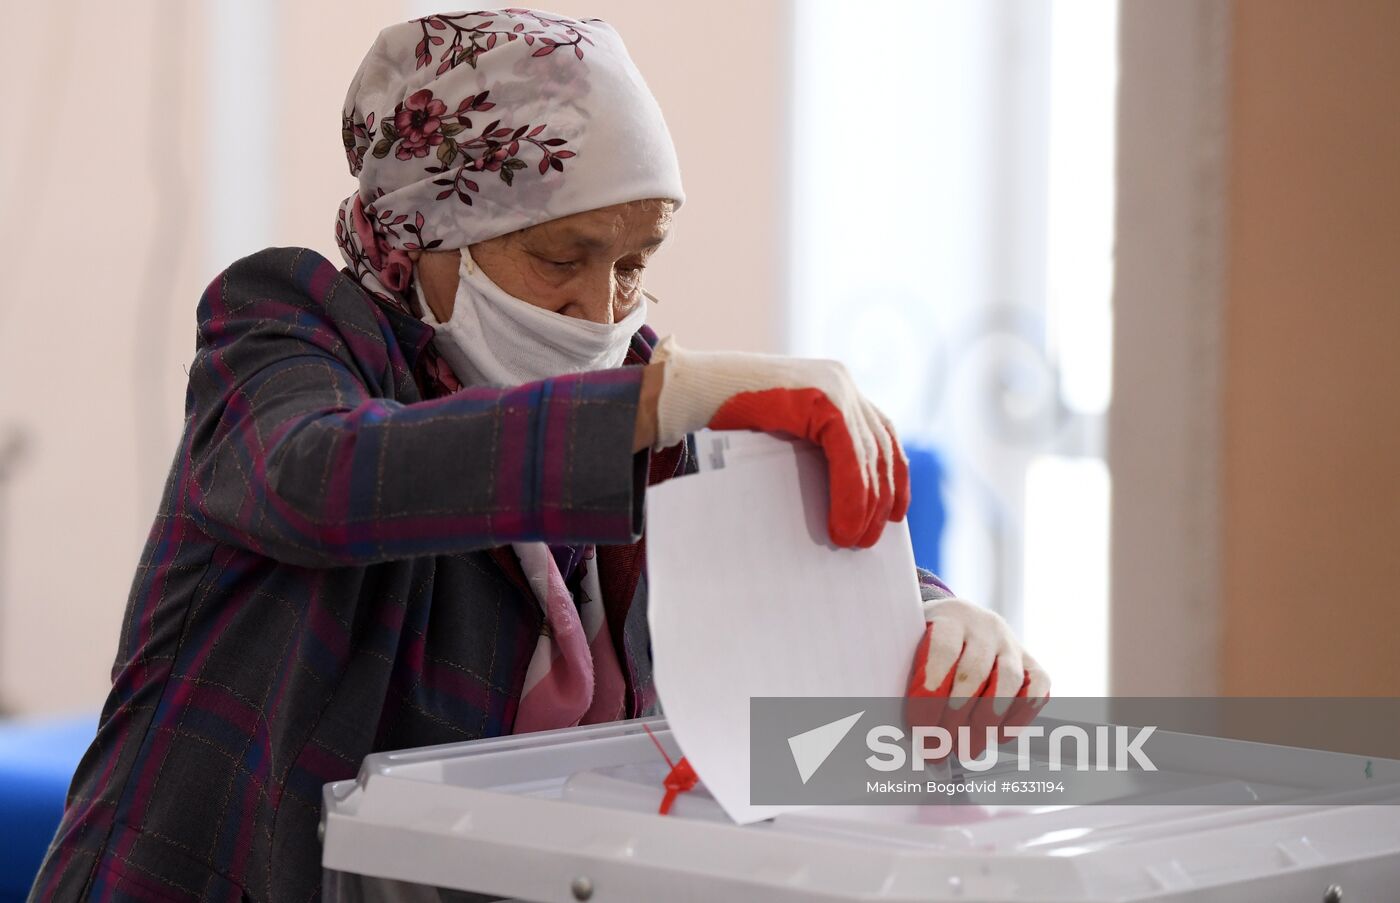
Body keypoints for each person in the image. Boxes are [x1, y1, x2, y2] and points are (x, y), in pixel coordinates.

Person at [30, 9, 1047, 901]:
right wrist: (662, 398)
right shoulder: (287, 330)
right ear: (423, 234)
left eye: (635, 263)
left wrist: (931, 621)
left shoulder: (647, 414)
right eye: (562, 258)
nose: (601, 307)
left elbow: (765, 572)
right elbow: (319, 481)